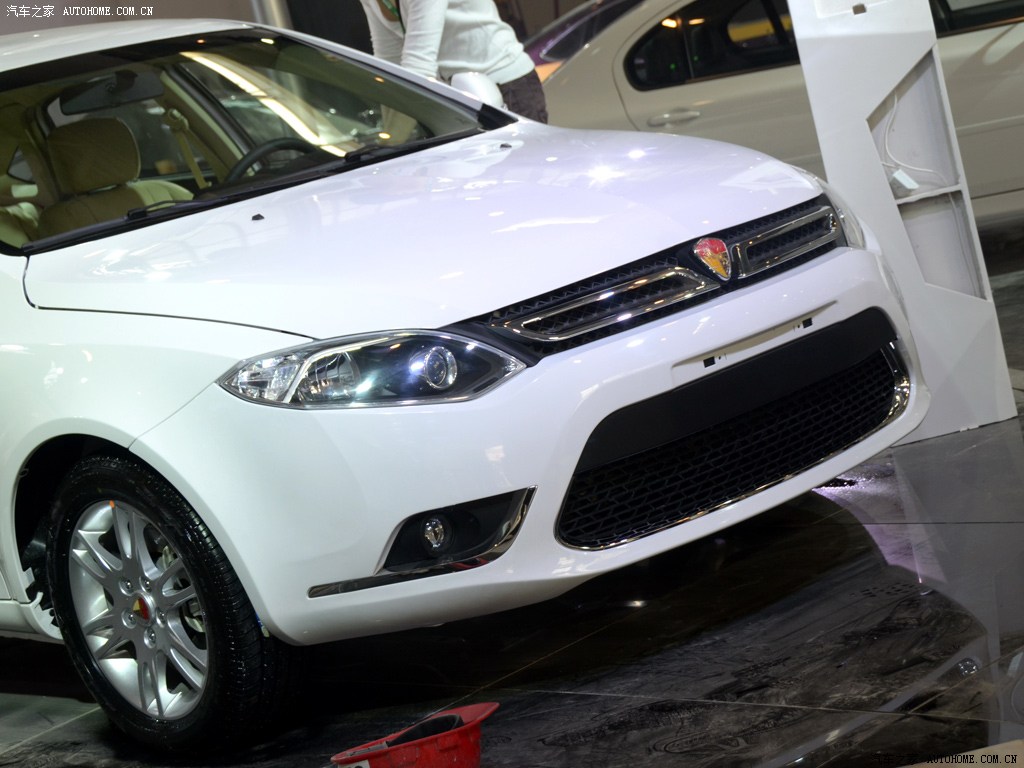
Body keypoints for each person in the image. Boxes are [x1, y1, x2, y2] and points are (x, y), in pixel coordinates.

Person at [357, 0, 549, 123]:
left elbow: (418, 65)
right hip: (459, 97)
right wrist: (387, 131)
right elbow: (388, 58)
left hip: (506, 87)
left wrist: (392, 140)